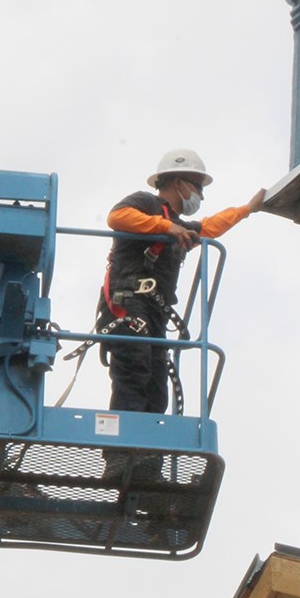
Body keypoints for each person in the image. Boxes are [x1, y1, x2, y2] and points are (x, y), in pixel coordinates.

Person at [101, 148, 264, 414]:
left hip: (154, 312)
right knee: (133, 374)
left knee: (156, 388)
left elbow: (209, 227)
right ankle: (122, 453)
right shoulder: (145, 203)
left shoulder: (179, 226)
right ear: (178, 183)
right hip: (128, 304)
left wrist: (247, 210)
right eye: (198, 187)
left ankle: (148, 454)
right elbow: (116, 217)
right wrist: (167, 228)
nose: (201, 195)